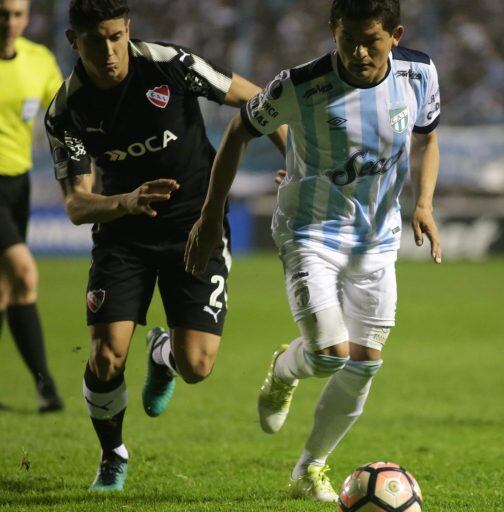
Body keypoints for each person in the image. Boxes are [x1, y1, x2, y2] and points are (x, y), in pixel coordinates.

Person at [185, 0, 441, 502]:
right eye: (348, 39)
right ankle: (285, 369)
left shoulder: (420, 73)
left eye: (371, 39)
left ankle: (310, 468)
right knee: (329, 355)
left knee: (364, 363)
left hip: (377, 238)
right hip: (310, 229)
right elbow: (239, 129)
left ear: (395, 35)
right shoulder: (299, 85)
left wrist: (425, 203)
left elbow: (428, 138)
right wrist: (211, 213)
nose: (359, 51)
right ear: (333, 32)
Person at [44, 0, 285, 492]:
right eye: (95, 40)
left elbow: (259, 99)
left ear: (127, 29)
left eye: (115, 36)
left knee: (196, 366)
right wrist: (126, 201)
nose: (109, 50)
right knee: (107, 357)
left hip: (196, 226)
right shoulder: (67, 110)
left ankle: (163, 356)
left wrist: (297, 164)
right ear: (74, 41)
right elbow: (77, 204)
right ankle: (112, 453)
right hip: (124, 235)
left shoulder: (172, 65)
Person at [0, 0, 64, 412]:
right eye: (2, 13)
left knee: (7, 287)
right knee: (24, 271)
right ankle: (47, 386)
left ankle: (43, 389)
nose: (10, 22)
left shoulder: (40, 60)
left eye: (17, 14)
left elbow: (64, 115)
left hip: (18, 183)